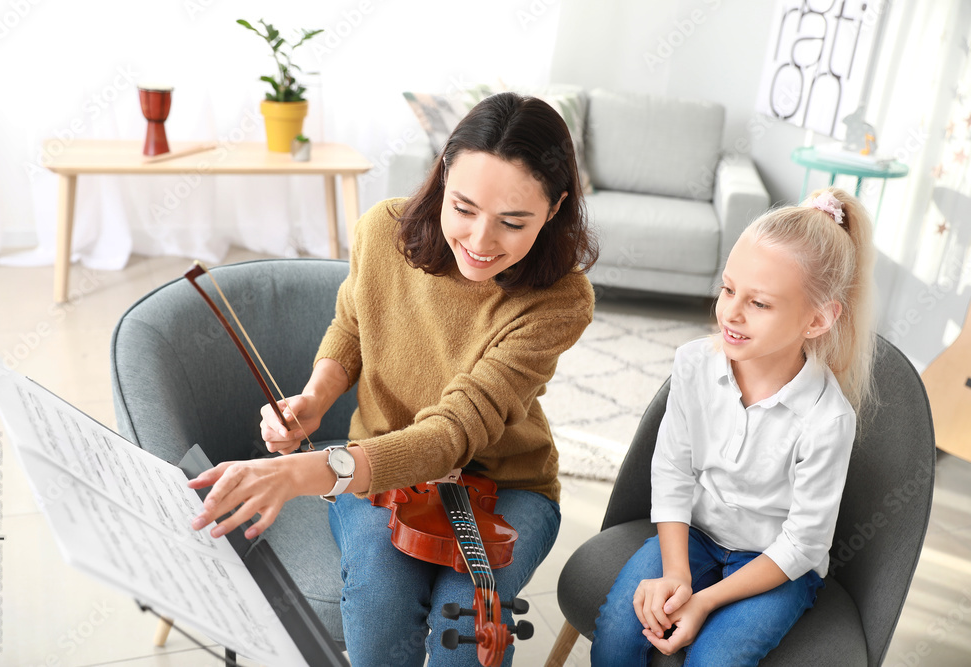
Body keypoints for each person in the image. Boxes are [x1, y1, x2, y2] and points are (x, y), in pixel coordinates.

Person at [188, 92, 599, 667]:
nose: (480, 242)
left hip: (507, 482)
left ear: (554, 209)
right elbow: (352, 326)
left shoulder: (561, 299)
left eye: (512, 222)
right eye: (463, 208)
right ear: (442, 175)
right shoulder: (383, 231)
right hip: (380, 470)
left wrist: (310, 469)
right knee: (380, 608)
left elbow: (457, 428)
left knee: (465, 615)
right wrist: (316, 395)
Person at [589, 187, 876, 666]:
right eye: (727, 289)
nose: (730, 314)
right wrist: (677, 572)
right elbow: (673, 472)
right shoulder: (693, 365)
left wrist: (704, 600)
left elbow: (803, 544)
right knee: (620, 632)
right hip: (695, 536)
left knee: (714, 660)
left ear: (818, 319)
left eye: (759, 303)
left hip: (774, 564)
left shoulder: (828, 420)